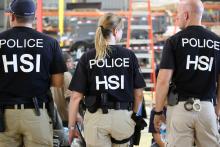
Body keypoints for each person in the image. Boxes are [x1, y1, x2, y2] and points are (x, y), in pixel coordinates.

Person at [68, 13, 146, 147]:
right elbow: (138, 94)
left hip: (96, 118)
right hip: (123, 118)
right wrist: (134, 116)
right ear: (116, 31)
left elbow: (75, 97)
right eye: (122, 30)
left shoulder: (88, 57)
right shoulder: (129, 55)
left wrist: (71, 127)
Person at [0, 0, 67, 146]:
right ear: (35, 17)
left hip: (4, 116)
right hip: (37, 113)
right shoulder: (50, 43)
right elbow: (58, 82)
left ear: (11, 16)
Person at [154, 0, 220, 147]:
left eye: (178, 14)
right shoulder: (217, 42)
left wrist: (158, 112)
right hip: (207, 108)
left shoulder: (174, 41)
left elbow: (163, 80)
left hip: (180, 109)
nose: (176, 18)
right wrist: (217, 110)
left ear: (186, 15)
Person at [51, 52, 73, 125]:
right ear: (64, 62)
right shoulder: (66, 75)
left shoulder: (52, 74)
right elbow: (70, 97)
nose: (72, 63)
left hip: (56, 116)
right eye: (69, 61)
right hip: (67, 116)